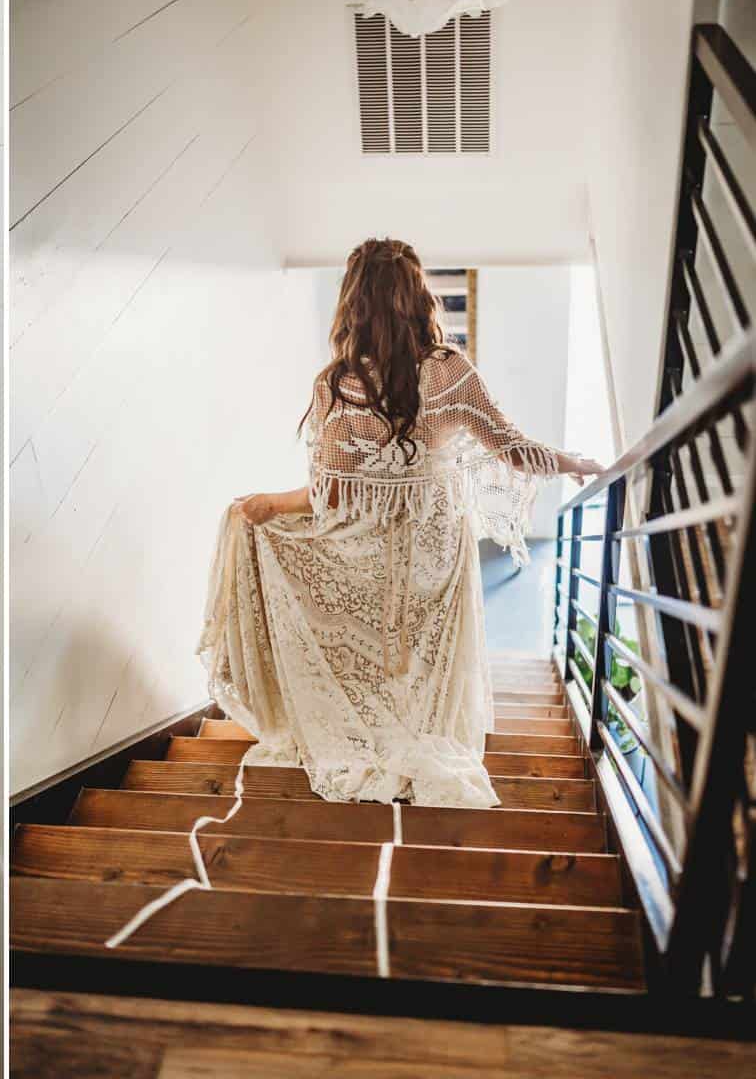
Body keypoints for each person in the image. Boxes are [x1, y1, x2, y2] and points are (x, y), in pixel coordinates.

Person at [105, 237, 602, 950]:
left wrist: (266, 508)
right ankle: (414, 733)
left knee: (360, 640)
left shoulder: (336, 383)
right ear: (418, 296)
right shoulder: (451, 370)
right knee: (421, 652)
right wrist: (571, 461)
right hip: (436, 550)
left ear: (353, 303)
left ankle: (372, 733)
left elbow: (325, 494)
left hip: (366, 547)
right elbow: (510, 446)